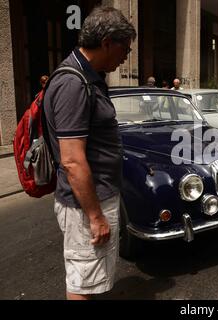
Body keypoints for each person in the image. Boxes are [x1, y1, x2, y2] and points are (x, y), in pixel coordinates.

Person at [43, 6, 136, 300]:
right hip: (85, 207)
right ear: (107, 42)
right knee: (83, 284)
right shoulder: (74, 84)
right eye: (125, 48)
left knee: (92, 279)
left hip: (95, 199)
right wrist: (95, 216)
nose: (127, 55)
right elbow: (72, 160)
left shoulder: (89, 76)